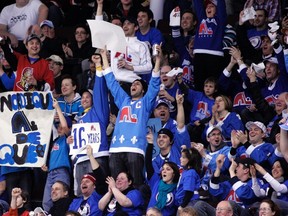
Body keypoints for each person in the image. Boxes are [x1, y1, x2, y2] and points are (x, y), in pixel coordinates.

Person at [102, 44, 160, 186]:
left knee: (136, 185)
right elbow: (112, 83)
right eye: (133, 84)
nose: (133, 86)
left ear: (143, 90)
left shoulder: (146, 103)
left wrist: (157, 61)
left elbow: (154, 85)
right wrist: (104, 57)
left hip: (135, 148)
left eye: (137, 84)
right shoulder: (124, 100)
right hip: (116, 148)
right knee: (117, 185)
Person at [69, 51, 110, 196]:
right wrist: (70, 140)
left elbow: (99, 91)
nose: (85, 99)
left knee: (98, 193)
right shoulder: (79, 119)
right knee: (82, 195)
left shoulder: (98, 112)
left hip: (97, 156)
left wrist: (99, 67)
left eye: (88, 96)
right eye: (83, 97)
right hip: (81, 160)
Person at [41, 99, 72, 212]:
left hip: (62, 172)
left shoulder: (67, 139)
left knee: (61, 199)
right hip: (51, 173)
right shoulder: (55, 141)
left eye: (61, 126)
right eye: (57, 126)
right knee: (46, 202)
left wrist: (57, 107)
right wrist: (47, 167)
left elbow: (64, 127)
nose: (59, 128)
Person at [192, 0, 227, 91]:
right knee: (199, 84)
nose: (208, 8)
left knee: (213, 84)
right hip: (199, 55)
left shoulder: (220, 20)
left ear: (217, 10)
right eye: (207, 6)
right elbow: (197, 3)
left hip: (214, 56)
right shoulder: (201, 18)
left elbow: (221, 4)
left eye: (211, 6)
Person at [68, 145, 107, 216]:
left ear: (94, 186)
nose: (83, 183)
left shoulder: (97, 197)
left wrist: (91, 156)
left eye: (87, 181)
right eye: (82, 182)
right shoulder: (75, 202)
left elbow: (99, 176)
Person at [176, 148, 202, 212]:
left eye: (183, 157)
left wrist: (182, 206)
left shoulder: (190, 173)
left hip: (189, 204)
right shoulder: (186, 171)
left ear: (191, 159)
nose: (180, 159)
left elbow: (189, 192)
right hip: (186, 203)